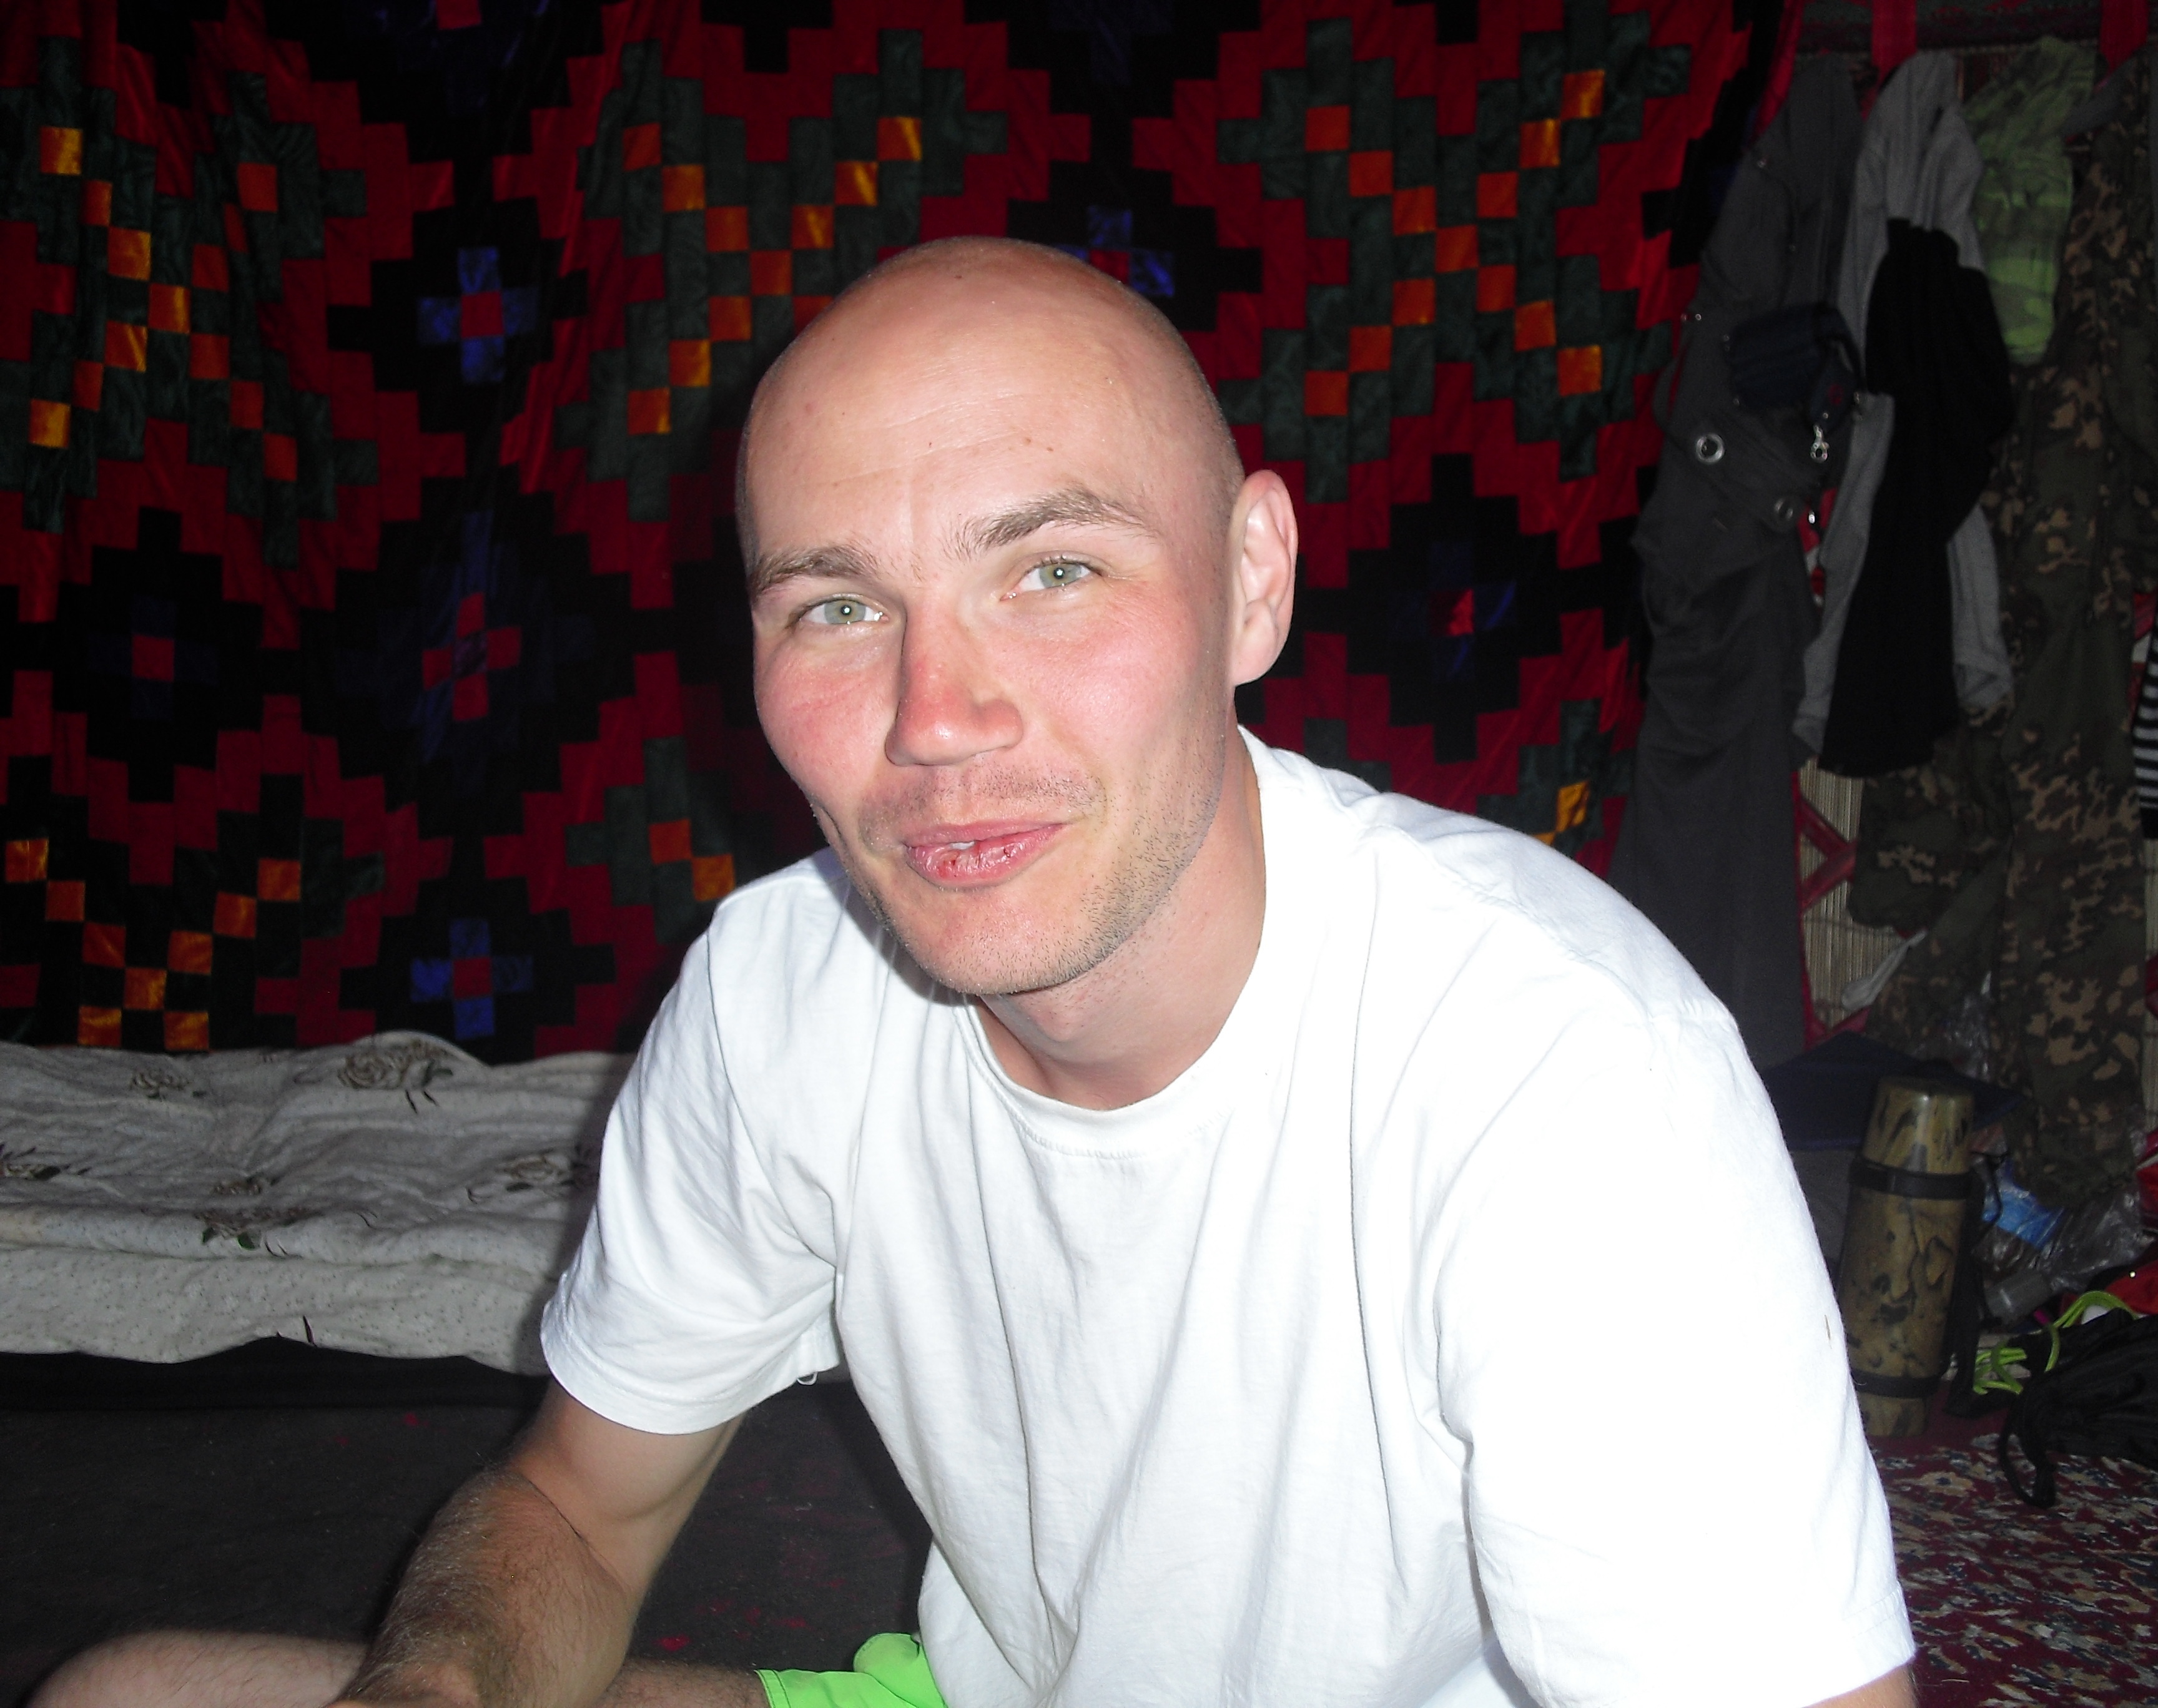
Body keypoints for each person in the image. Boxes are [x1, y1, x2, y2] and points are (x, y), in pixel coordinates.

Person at [38, 238, 1915, 1708]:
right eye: (839, 606)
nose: (934, 717)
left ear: (1255, 579)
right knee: (129, 1695)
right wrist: (437, 1690)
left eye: (1055, 571)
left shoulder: (1561, 1075)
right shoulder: (779, 995)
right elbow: (578, 1515)